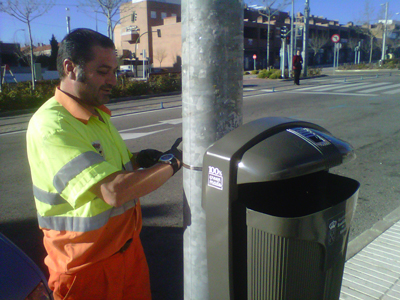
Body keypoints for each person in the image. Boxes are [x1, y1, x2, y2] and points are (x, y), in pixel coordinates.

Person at [26, 28, 182, 300]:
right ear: (70, 68)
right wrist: (173, 163)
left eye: (115, 71)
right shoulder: (52, 125)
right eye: (103, 71)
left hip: (128, 254)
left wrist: (136, 160)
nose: (113, 80)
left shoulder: (95, 114)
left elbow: (106, 169)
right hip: (87, 271)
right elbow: (113, 191)